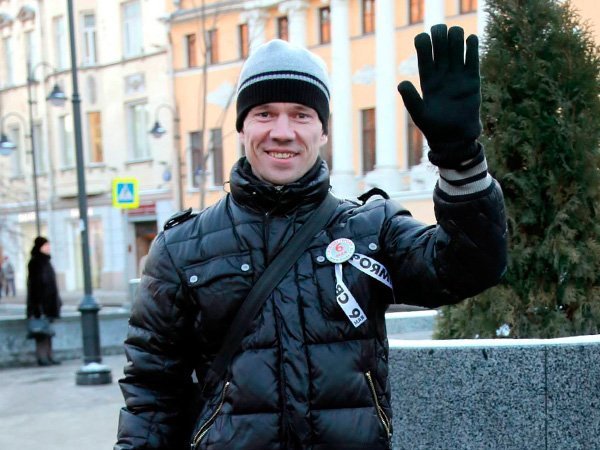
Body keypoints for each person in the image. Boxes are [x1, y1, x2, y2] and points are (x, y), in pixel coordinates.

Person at [115, 25, 507, 450]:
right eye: (265, 113)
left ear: (322, 131)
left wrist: (460, 161)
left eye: (301, 114)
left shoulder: (371, 228)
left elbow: (468, 267)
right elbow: (152, 392)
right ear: (242, 128)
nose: (283, 131)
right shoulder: (182, 248)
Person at [26, 236, 62, 366]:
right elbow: (34, 286)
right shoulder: (35, 262)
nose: (48, 248)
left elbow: (51, 284)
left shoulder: (47, 261)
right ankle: (42, 357)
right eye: (45, 245)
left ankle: (49, 355)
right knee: (40, 332)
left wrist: (57, 301)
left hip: (49, 303)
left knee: (48, 332)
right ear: (39, 247)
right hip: (40, 304)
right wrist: (36, 307)